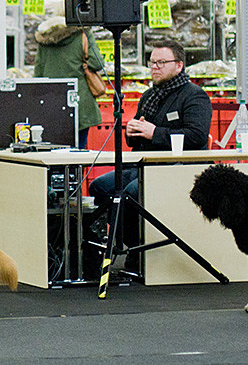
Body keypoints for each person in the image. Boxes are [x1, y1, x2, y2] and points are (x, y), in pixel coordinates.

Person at [88, 40, 211, 269]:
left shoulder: (194, 96)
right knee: (100, 186)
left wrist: (154, 132)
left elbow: (197, 137)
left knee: (130, 193)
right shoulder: (149, 96)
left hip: (174, 167)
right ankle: (120, 244)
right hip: (143, 164)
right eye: (152, 62)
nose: (155, 67)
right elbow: (137, 138)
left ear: (179, 65)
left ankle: (140, 253)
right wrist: (132, 132)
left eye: (162, 62)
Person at [34, 15, 105, 149]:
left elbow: (38, 74)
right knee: (78, 152)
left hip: (52, 104)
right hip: (80, 103)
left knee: (54, 152)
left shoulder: (44, 37)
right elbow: (97, 63)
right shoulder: (82, 34)